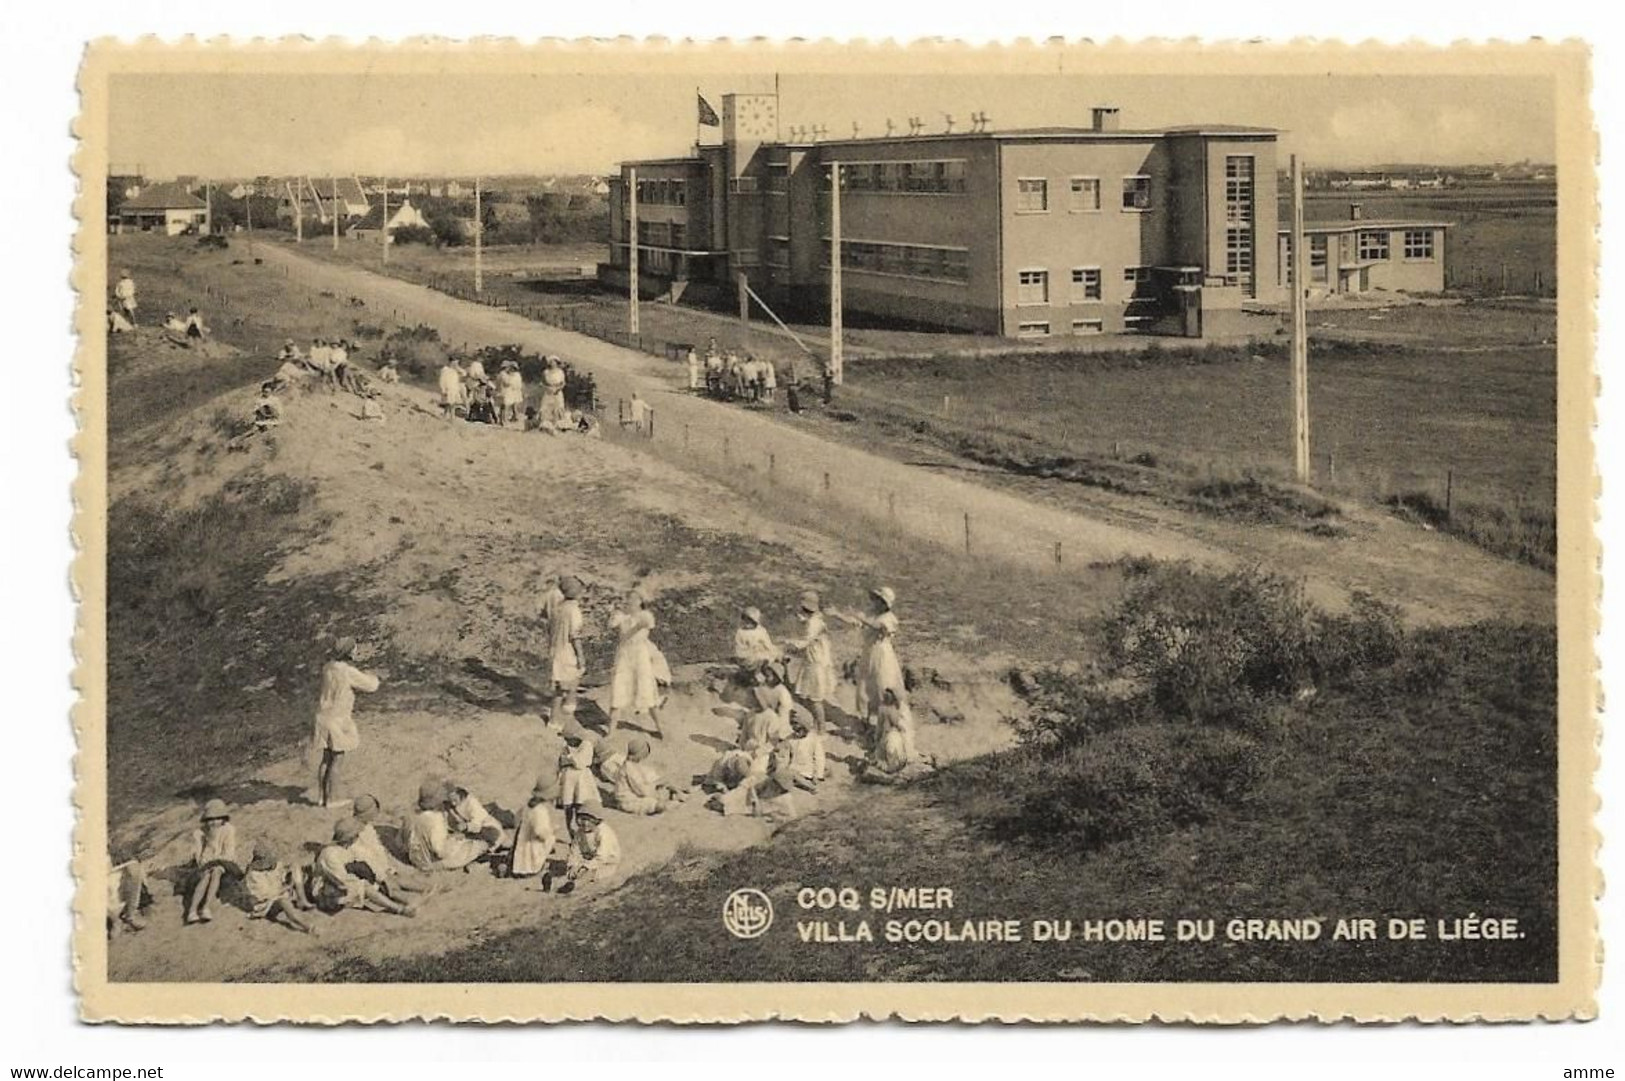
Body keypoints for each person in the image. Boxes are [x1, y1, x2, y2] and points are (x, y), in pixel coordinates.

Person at [831, 586, 913, 752]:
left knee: (883, 685)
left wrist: (859, 616)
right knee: (865, 687)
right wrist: (838, 614)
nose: (874, 602)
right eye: (875, 599)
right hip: (869, 653)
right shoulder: (871, 614)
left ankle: (889, 724)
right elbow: (858, 622)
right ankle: (867, 723)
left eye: (878, 600)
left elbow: (878, 627)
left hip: (882, 655)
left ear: (884, 604)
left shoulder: (889, 618)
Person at [307, 636, 381, 808]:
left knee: (326, 758)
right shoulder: (347, 671)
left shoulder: (328, 667)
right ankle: (332, 799)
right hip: (337, 719)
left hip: (322, 716)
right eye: (354, 649)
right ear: (348, 652)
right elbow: (371, 686)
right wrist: (373, 676)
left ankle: (322, 797)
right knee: (338, 760)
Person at [315, 819, 415, 916]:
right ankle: (398, 909)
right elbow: (342, 881)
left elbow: (364, 864)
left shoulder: (347, 847)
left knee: (378, 879)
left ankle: (401, 897)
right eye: (355, 835)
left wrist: (379, 879)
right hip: (328, 892)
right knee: (365, 887)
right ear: (349, 837)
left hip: (344, 882)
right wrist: (368, 884)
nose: (357, 836)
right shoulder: (330, 855)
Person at [784, 590, 835, 781]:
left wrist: (789, 643)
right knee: (808, 697)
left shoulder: (815, 623)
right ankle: (816, 725)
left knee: (815, 700)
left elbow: (804, 643)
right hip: (812, 661)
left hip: (816, 664)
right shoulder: (814, 619)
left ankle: (821, 730)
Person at [608, 588, 665, 738]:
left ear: (640, 601)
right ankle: (611, 732)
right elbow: (616, 630)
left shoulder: (646, 615)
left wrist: (636, 625)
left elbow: (645, 625)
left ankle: (661, 728)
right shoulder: (621, 616)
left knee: (647, 691)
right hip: (624, 655)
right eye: (628, 598)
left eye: (634, 599)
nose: (630, 601)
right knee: (618, 690)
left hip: (640, 655)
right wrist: (615, 612)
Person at [407, 779, 489, 873]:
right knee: (480, 846)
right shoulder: (436, 819)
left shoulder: (410, 814)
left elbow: (400, 843)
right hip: (429, 861)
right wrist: (454, 839)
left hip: (413, 857)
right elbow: (440, 851)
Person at [241, 840, 316, 934]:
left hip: (279, 890)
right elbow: (268, 894)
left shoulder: (274, 865)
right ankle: (304, 925)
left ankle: (302, 900)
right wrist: (288, 886)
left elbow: (280, 872)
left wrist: (290, 875)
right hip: (265, 903)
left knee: (295, 867)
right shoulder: (254, 876)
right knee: (283, 902)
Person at [184, 798, 239, 925]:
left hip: (225, 864)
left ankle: (205, 907)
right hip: (207, 864)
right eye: (210, 819)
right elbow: (200, 858)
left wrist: (216, 860)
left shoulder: (229, 830)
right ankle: (192, 910)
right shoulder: (199, 833)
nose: (214, 822)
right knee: (207, 874)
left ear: (223, 819)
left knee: (216, 871)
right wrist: (210, 840)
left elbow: (229, 853)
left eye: (217, 818)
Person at [609, 736, 685, 815]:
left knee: (663, 787)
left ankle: (677, 796)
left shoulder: (632, 765)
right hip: (629, 801)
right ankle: (678, 801)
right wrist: (656, 789)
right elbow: (642, 790)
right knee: (660, 805)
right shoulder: (629, 768)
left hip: (636, 795)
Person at [549, 810, 620, 894]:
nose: (585, 823)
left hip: (606, 862)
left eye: (589, 820)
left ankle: (574, 885)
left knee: (590, 873)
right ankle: (557, 882)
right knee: (572, 870)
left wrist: (585, 866)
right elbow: (574, 850)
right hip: (588, 858)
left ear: (595, 820)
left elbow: (601, 857)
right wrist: (573, 865)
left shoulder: (603, 833)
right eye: (582, 819)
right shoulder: (580, 832)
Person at [548, 576, 586, 728]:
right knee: (570, 686)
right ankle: (564, 720)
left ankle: (555, 718)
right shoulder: (574, 610)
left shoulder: (557, 608)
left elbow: (550, 630)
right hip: (567, 652)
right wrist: (581, 656)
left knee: (559, 686)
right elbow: (575, 636)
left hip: (555, 650)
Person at [556, 720, 602, 838]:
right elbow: (561, 761)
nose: (567, 741)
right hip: (568, 778)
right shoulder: (565, 746)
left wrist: (569, 759)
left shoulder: (586, 745)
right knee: (568, 803)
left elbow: (581, 762)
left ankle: (580, 827)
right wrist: (567, 759)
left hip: (582, 778)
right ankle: (569, 827)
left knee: (581, 801)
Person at [510, 779, 558, 879]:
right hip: (534, 839)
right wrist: (549, 835)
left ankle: (519, 869)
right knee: (544, 844)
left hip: (524, 836)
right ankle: (533, 869)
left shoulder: (528, 806)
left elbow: (517, 819)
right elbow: (540, 830)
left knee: (523, 854)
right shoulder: (540, 810)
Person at [447, 781, 505, 849]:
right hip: (474, 830)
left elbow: (477, 823)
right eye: (451, 801)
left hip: (487, 827)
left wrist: (466, 826)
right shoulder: (456, 806)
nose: (453, 803)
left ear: (460, 795)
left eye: (455, 800)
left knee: (490, 835)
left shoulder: (472, 803)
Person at [539, 355, 568, 431]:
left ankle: (558, 426)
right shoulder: (546, 372)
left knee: (558, 408)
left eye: (554, 362)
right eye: (551, 362)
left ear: (557, 363)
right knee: (545, 407)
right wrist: (547, 388)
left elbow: (563, 383)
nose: (552, 364)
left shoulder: (560, 372)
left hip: (557, 391)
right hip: (548, 391)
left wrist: (558, 389)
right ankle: (545, 425)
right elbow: (541, 383)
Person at [497, 360, 524, 428]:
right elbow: (507, 383)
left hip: (510, 391)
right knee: (505, 406)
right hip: (505, 391)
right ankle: (503, 420)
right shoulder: (503, 374)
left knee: (507, 406)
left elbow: (518, 384)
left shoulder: (515, 375)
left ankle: (506, 419)